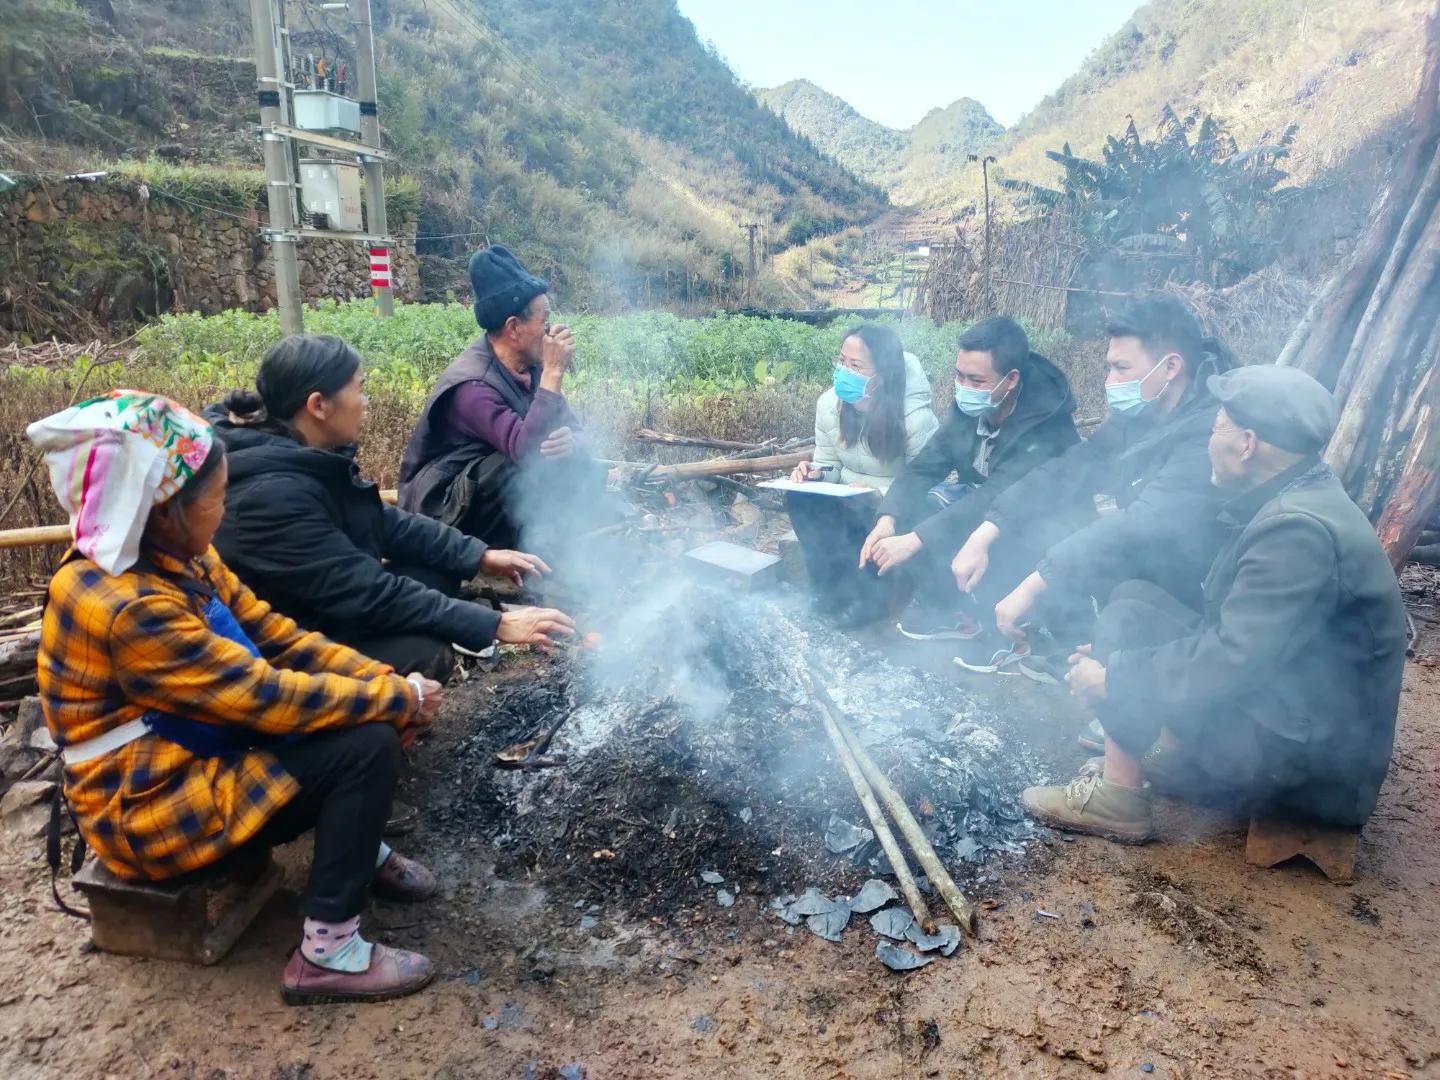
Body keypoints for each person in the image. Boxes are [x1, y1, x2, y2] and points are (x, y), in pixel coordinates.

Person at [30, 392, 440, 1003]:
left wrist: (378, 679)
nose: (223, 511)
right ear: (163, 511)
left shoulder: (176, 555)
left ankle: (356, 844)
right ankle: (327, 954)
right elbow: (262, 696)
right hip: (144, 801)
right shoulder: (125, 604)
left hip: (193, 741)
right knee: (366, 745)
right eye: (217, 499)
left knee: (361, 708)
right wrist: (392, 702)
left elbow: (272, 633)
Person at [1020, 365, 1407, 842]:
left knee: (1127, 628)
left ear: (1246, 443)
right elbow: (1234, 634)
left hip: (1309, 772)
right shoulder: (1296, 496)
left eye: (1216, 426)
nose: (1209, 439)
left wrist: (1116, 676)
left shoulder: (1297, 531)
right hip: (1302, 727)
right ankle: (1173, 757)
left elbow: (1232, 660)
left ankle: (1118, 799)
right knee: (1136, 602)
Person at [207, 334, 575, 684]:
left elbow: (384, 523)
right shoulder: (270, 495)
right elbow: (368, 593)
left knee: (437, 570)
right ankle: (350, 733)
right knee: (423, 653)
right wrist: (494, 624)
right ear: (318, 405)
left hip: (322, 599)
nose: (366, 402)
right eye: (359, 388)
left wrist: (481, 555)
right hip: (277, 645)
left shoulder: (305, 454)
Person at [947, 294, 1235, 675]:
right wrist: (987, 530)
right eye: (1109, 367)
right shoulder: (1142, 413)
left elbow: (1144, 523)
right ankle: (1076, 652)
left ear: (1170, 367)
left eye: (1121, 368)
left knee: (1094, 555)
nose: (1109, 381)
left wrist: (1034, 583)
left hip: (1202, 593)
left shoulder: (1209, 429)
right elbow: (1069, 470)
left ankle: (1125, 688)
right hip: (1151, 561)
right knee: (1049, 518)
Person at [855, 316, 1079, 641]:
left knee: (961, 524)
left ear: (1011, 379)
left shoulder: (1045, 426)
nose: (964, 388)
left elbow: (997, 495)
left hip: (1044, 527)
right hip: (988, 513)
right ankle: (949, 611)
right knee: (922, 505)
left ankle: (1012, 630)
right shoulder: (972, 406)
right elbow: (924, 466)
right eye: (959, 376)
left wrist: (914, 540)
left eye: (976, 380)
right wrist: (888, 520)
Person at [397, 245, 606, 555]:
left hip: (479, 500)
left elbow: (577, 429)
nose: (549, 332)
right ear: (513, 328)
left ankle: (551, 548)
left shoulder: (530, 369)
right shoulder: (472, 385)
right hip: (442, 512)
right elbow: (526, 451)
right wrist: (553, 374)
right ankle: (507, 554)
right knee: (513, 467)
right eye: (544, 320)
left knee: (574, 459)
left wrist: (573, 443)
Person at [784, 324, 938, 626]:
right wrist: (816, 473)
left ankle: (872, 600)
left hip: (893, 511)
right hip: (848, 497)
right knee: (800, 496)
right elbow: (829, 461)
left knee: (872, 514)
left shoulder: (915, 418)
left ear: (881, 376)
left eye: (855, 366)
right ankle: (828, 592)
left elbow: (929, 483)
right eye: (841, 361)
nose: (844, 371)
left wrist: (878, 495)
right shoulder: (830, 404)